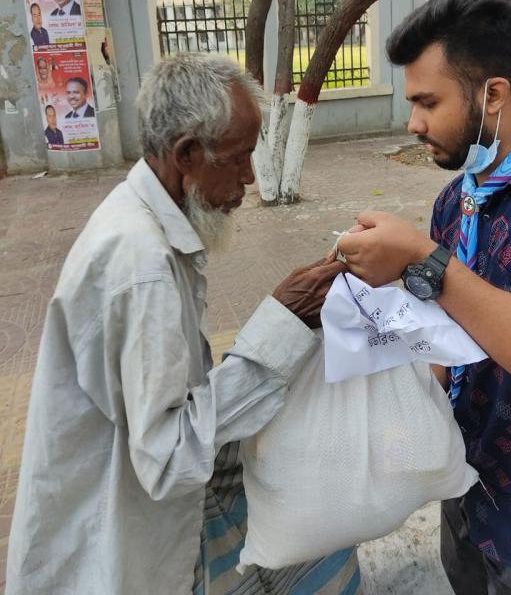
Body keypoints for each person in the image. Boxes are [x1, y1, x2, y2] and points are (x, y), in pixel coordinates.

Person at [6, 54, 361, 595]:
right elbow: (170, 457)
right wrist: (284, 324)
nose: (248, 176)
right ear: (187, 154)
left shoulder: (148, 218)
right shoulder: (141, 264)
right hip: (125, 527)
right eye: (240, 158)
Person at [338, 0, 511, 595]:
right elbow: (444, 345)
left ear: (493, 96)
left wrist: (427, 262)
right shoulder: (457, 201)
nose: (413, 123)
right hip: (468, 498)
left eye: (429, 102)